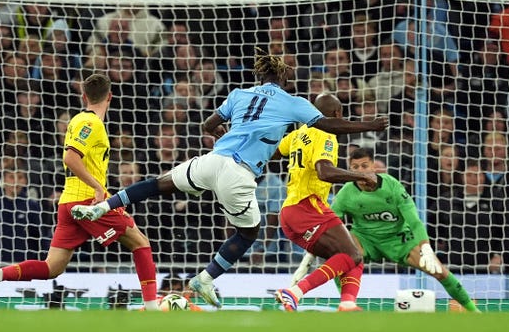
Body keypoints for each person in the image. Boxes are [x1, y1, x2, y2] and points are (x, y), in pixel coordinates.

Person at [72, 48, 388, 308]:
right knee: (248, 233)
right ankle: (206, 279)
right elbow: (327, 126)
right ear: (281, 77)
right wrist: (369, 126)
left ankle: (102, 207)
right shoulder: (293, 103)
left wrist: (227, 133)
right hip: (239, 175)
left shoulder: (238, 94)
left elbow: (208, 124)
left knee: (159, 182)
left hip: (213, 160)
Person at [0, 74, 160, 311]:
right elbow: (70, 157)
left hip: (69, 201)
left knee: (53, 267)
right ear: (110, 97)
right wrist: (97, 187)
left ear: (84, 96)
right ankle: (153, 309)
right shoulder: (90, 123)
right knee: (140, 243)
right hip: (86, 200)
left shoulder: (78, 120)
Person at [293, 147, 481, 312]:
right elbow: (329, 227)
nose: (360, 171)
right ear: (349, 170)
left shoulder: (392, 186)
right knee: (341, 255)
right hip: (366, 240)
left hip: (399, 241)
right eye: (355, 167)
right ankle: (347, 304)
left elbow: (414, 221)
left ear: (374, 166)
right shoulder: (346, 194)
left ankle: (473, 311)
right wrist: (308, 259)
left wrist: (426, 248)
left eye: (364, 166)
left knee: (439, 271)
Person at [273, 94, 379, 312]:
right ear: (337, 115)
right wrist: (360, 176)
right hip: (307, 206)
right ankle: (294, 292)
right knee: (352, 254)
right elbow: (324, 171)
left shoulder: (298, 134)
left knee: (352, 257)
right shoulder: (326, 135)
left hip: (290, 213)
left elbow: (273, 153)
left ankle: (348, 303)